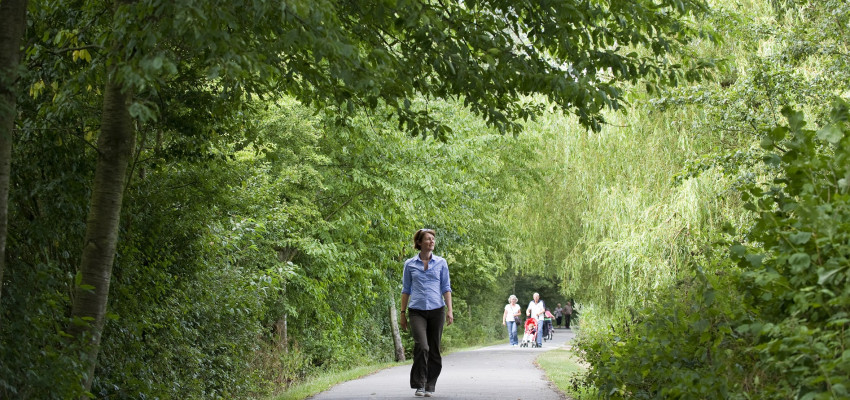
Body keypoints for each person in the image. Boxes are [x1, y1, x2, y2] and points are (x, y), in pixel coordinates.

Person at [400, 229, 454, 398]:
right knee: (422, 346)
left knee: (434, 349)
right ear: (420, 243)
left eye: (433, 239)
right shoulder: (410, 264)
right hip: (416, 311)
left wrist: (449, 310)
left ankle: (431, 384)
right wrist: (402, 313)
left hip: (437, 310)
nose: (432, 241)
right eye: (428, 239)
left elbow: (446, 288)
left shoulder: (441, 262)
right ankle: (420, 384)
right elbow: (406, 289)